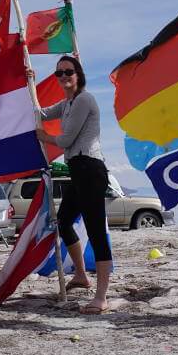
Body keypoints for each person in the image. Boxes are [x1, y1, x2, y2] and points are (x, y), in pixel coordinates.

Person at [34, 55, 113, 314]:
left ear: (78, 73)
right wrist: (28, 83)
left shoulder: (84, 100)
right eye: (59, 74)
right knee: (64, 220)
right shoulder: (67, 103)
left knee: (96, 231)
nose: (64, 77)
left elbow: (67, 140)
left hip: (91, 168)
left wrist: (44, 136)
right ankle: (81, 274)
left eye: (68, 71)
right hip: (77, 171)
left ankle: (101, 296)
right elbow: (41, 113)